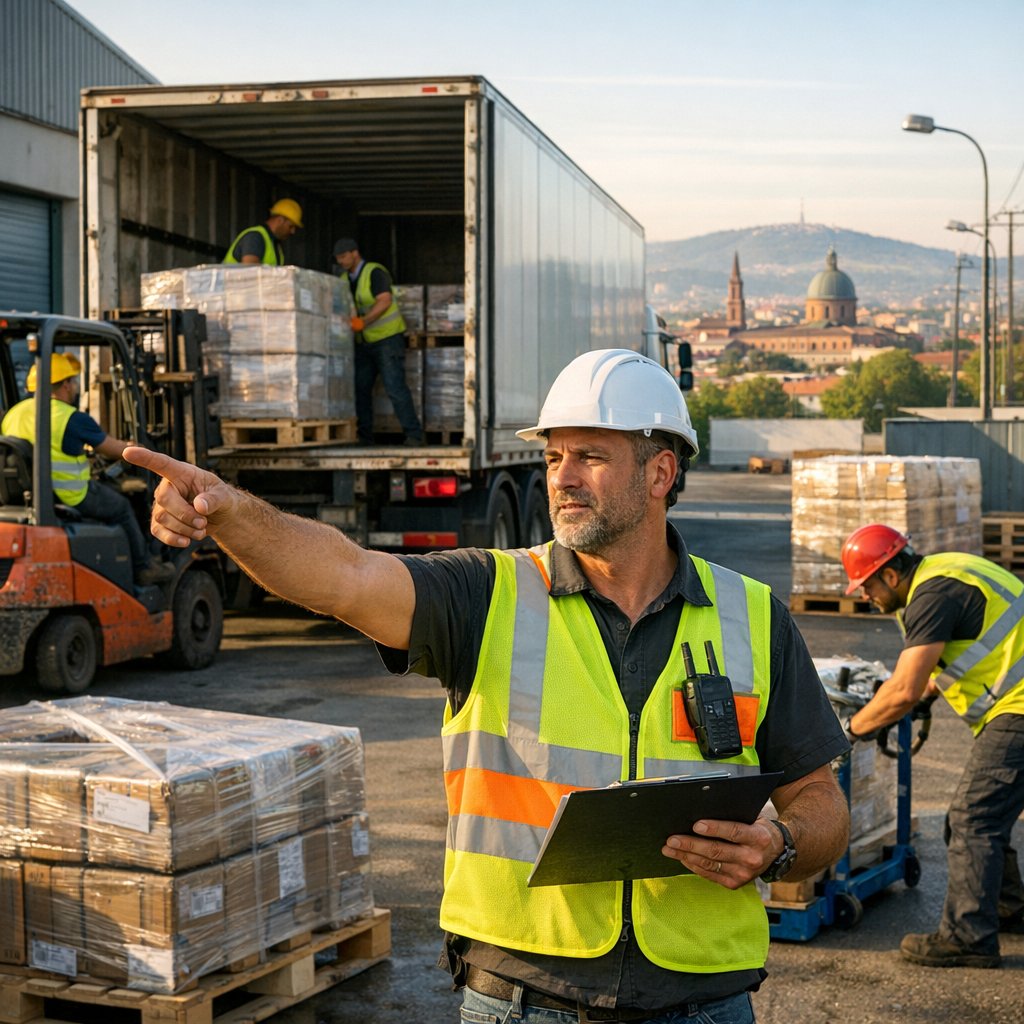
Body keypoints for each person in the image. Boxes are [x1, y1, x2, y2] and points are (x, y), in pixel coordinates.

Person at [125, 349, 849, 1024]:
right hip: (525, 997)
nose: (560, 477)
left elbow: (822, 803)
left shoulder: (753, 617)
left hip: (706, 999)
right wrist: (229, 511)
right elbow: (342, 576)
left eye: (591, 456)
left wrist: (780, 845)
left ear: (660, 474)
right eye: (553, 455)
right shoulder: (490, 594)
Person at [840, 524, 1024, 969]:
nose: (865, 597)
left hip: (1018, 710)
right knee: (982, 817)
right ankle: (1009, 907)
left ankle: (968, 938)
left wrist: (849, 731)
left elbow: (903, 689)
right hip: (1014, 707)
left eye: (866, 586)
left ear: (889, 574)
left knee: (972, 818)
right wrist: (926, 696)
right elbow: (966, 648)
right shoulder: (945, 575)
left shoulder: (932, 594)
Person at [2, 352, 174, 587]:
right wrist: (138, 448)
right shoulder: (71, 417)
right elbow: (114, 450)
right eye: (72, 381)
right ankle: (143, 568)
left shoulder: (13, 413)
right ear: (65, 384)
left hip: (27, 495)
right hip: (69, 494)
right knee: (122, 507)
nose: (73, 386)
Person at [333, 237, 424, 446]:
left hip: (386, 340)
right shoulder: (345, 280)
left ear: (355, 253)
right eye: (338, 258)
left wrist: (363, 322)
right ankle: (364, 437)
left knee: (395, 387)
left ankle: (414, 435)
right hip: (364, 343)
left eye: (343, 256)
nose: (341, 261)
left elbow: (385, 301)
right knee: (360, 390)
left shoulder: (374, 272)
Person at [223, 199, 304, 265]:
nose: (293, 231)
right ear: (279, 220)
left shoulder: (274, 245)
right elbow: (250, 271)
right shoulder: (255, 237)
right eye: (290, 226)